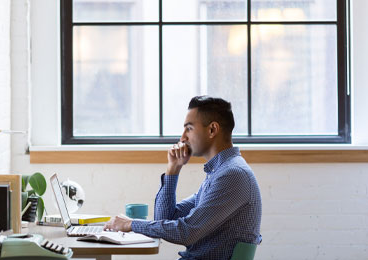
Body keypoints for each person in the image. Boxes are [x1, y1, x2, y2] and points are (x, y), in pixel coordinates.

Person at [105, 96, 262, 259]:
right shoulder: (219, 172)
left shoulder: (232, 175)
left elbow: (187, 232)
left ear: (212, 130)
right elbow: (165, 218)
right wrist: (173, 169)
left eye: (189, 128)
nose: (182, 138)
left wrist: (130, 224)